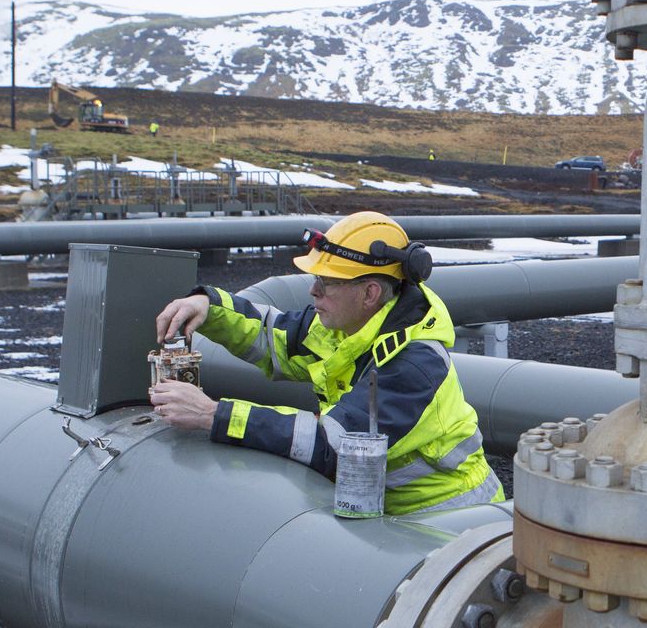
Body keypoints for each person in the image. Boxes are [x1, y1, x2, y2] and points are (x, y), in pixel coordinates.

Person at [149, 211, 503, 514]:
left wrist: (213, 415)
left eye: (327, 281)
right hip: (392, 511)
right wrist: (209, 306)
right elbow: (274, 336)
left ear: (370, 293)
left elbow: (335, 445)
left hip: (451, 522)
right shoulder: (347, 325)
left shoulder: (413, 364)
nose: (313, 291)